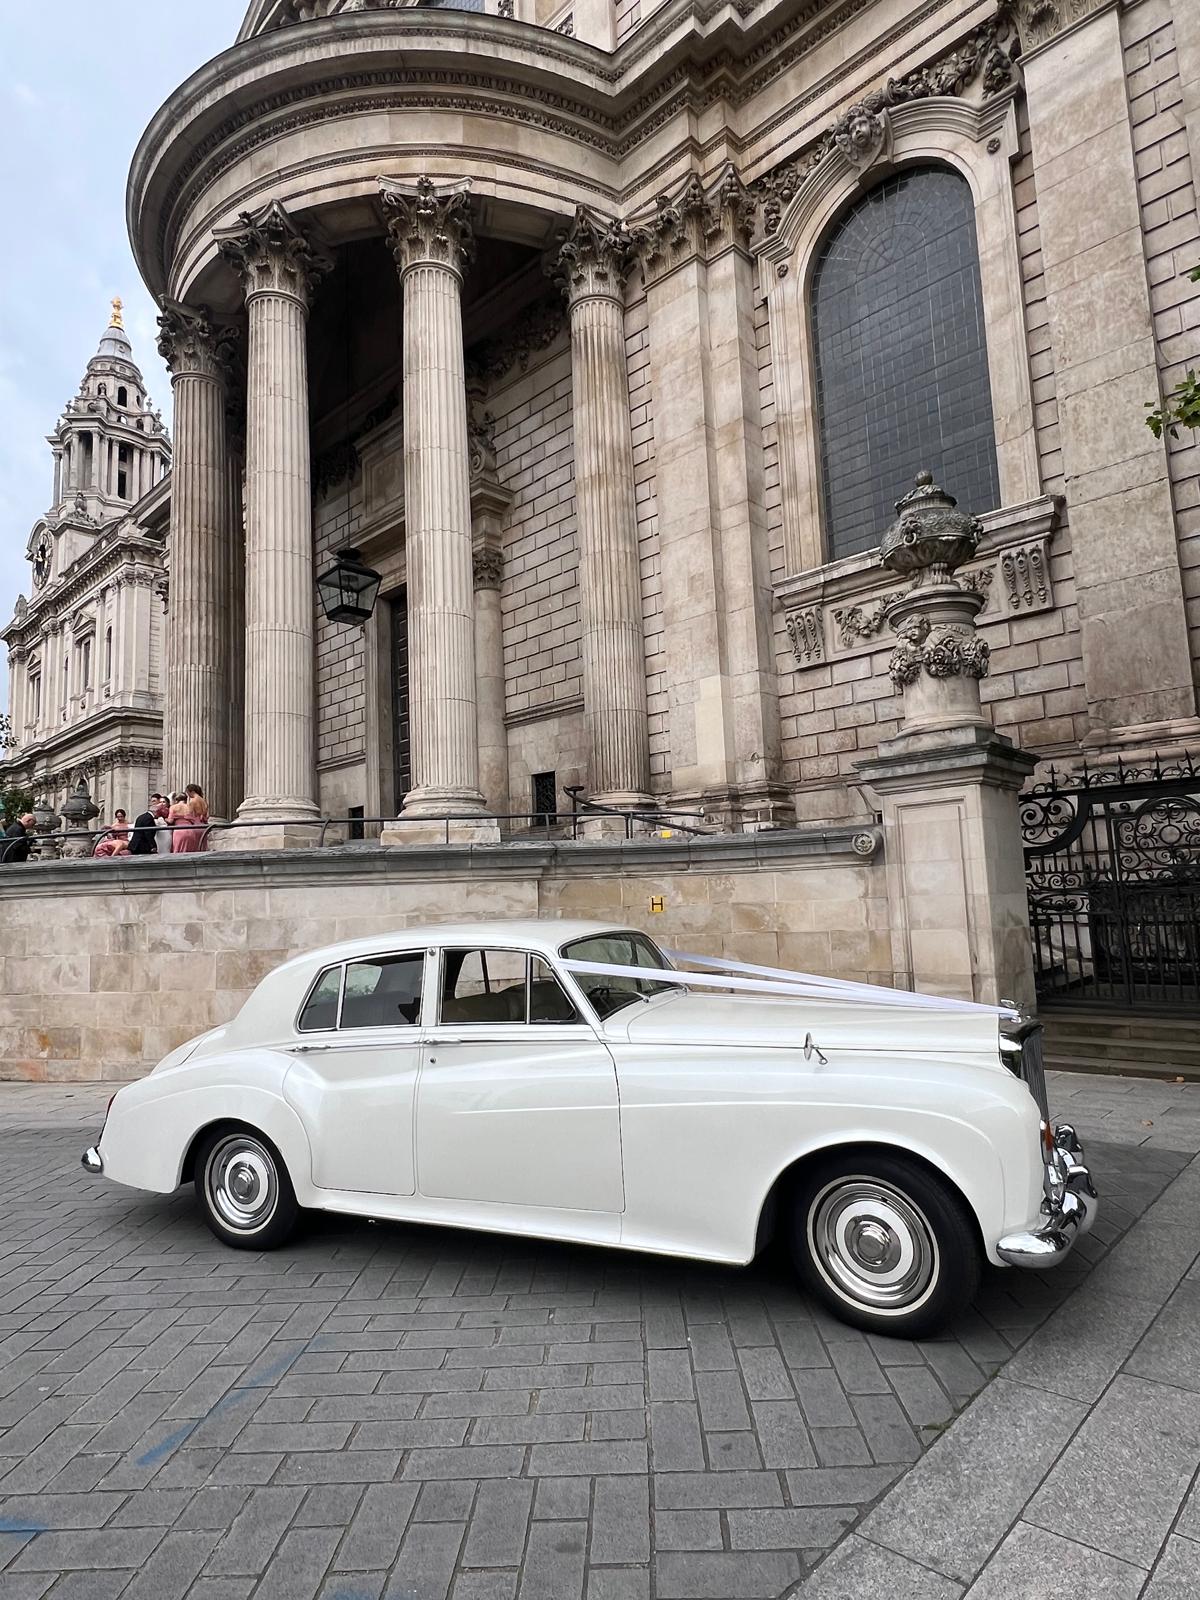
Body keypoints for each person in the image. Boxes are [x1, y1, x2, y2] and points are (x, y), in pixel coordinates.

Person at [170, 785, 210, 853]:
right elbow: (206, 816)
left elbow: (190, 815)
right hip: (203, 827)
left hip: (195, 826)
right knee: (202, 849)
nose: (187, 795)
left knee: (194, 850)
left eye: (187, 792)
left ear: (191, 791)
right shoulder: (203, 800)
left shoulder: (192, 801)